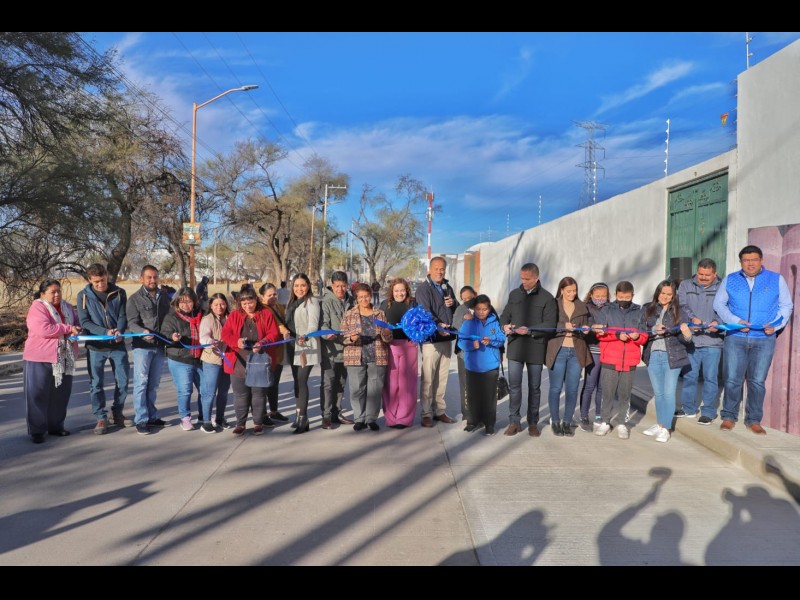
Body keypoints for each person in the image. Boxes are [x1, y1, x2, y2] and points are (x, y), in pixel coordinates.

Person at [713, 244, 794, 434]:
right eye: (746, 260)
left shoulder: (776, 279)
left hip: (764, 339)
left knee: (757, 381)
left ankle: (754, 419)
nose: (750, 263)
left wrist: (775, 325)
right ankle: (729, 417)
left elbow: (786, 306)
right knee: (732, 380)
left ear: (761, 260)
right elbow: (719, 304)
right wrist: (735, 321)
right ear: (741, 262)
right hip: (736, 337)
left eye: (754, 259)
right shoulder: (731, 279)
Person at [499, 263, 557, 437]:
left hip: (535, 348)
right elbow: (505, 315)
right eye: (521, 278)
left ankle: (533, 423)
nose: (523, 282)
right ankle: (514, 422)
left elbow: (551, 325)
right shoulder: (514, 294)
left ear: (536, 278)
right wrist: (504, 325)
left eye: (527, 279)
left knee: (534, 387)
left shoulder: (547, 298)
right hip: (516, 346)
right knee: (514, 386)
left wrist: (530, 330)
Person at [22, 280, 81, 443]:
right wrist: (68, 328)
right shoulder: (37, 307)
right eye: (52, 292)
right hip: (39, 357)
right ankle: (37, 431)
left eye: (59, 291)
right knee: (37, 394)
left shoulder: (67, 306)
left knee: (60, 394)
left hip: (64, 356)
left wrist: (77, 329)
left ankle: (56, 426)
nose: (57, 295)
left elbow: (77, 322)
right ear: (43, 294)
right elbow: (43, 329)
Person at [76, 263, 131, 435]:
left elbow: (123, 315)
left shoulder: (120, 293)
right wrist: (105, 332)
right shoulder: (83, 296)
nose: (101, 284)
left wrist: (119, 331)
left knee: (123, 381)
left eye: (103, 280)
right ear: (89, 280)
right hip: (96, 347)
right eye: (96, 282)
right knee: (96, 384)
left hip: (117, 345)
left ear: (107, 276)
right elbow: (85, 322)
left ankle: (117, 412)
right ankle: (101, 417)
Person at [221, 284, 281, 435]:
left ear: (256, 300)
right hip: (238, 360)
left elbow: (274, 333)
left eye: (251, 303)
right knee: (240, 394)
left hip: (259, 359)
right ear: (240, 303)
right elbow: (225, 334)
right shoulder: (234, 315)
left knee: (258, 393)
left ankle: (258, 422)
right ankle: (240, 423)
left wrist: (263, 342)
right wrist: (236, 342)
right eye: (244, 304)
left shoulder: (266, 313)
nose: (248, 306)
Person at [593, 281, 648, 439]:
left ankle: (622, 423)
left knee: (625, 394)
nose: (624, 299)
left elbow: (644, 336)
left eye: (627, 297)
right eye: (621, 297)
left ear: (633, 295)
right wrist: (617, 335)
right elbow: (600, 334)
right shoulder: (607, 310)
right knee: (608, 393)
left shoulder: (639, 312)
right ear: (616, 295)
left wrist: (637, 338)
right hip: (610, 358)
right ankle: (605, 421)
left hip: (629, 359)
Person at [639, 280, 693, 443]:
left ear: (674, 296)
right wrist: (653, 330)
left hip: (673, 356)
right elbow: (640, 330)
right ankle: (660, 424)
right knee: (659, 393)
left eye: (669, 294)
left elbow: (686, 340)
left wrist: (687, 334)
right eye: (663, 293)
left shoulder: (680, 311)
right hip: (653, 355)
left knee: (669, 393)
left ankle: (666, 428)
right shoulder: (647, 308)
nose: (665, 297)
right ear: (658, 293)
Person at [676, 259, 724, 424]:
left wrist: (717, 322)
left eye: (707, 275)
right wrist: (692, 319)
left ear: (714, 274)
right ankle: (688, 408)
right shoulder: (685, 285)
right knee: (690, 376)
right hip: (692, 340)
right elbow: (681, 306)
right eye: (700, 274)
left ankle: (708, 412)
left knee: (710, 378)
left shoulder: (722, 287)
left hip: (713, 342)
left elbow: (726, 308)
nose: (702, 277)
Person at [126, 264, 173, 435]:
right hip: (142, 347)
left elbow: (169, 318)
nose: (152, 280)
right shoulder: (134, 299)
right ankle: (141, 420)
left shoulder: (164, 297)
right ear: (142, 279)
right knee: (141, 384)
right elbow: (131, 323)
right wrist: (142, 332)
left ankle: (152, 417)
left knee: (153, 385)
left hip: (159, 347)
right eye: (149, 277)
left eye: (155, 277)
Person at [341, 283, 393, 431]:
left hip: (377, 355)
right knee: (357, 389)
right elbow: (342, 337)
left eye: (366, 296)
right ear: (356, 298)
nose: (364, 299)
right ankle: (359, 418)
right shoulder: (349, 314)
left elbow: (388, 337)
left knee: (374, 390)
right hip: (355, 355)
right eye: (361, 297)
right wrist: (351, 338)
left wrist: (387, 334)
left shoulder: (380, 314)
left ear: (371, 296)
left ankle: (371, 419)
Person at [415, 256, 459, 427]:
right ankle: (426, 413)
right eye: (436, 268)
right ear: (430, 269)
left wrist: (453, 303)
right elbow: (424, 312)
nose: (439, 272)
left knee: (442, 377)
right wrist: (438, 325)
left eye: (442, 269)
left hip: (446, 338)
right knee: (428, 378)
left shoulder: (447, 287)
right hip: (431, 340)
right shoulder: (423, 289)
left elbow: (457, 309)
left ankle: (439, 411)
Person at [545, 277, 592, 437]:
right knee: (556, 388)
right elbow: (547, 325)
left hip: (576, 351)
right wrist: (562, 326)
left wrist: (585, 330)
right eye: (569, 291)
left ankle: (566, 422)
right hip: (558, 350)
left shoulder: (581, 306)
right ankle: (555, 421)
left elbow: (585, 326)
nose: (572, 294)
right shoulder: (553, 305)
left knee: (572, 389)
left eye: (574, 291)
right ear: (562, 290)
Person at [458, 294, 506, 435]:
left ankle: (489, 423)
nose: (481, 312)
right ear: (474, 308)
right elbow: (461, 341)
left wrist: (491, 340)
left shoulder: (494, 322)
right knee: (473, 396)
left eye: (484, 309)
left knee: (489, 397)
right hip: (473, 366)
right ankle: (472, 421)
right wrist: (471, 345)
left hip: (491, 366)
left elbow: (501, 339)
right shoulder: (468, 323)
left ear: (489, 308)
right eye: (478, 309)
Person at [160, 287, 204, 432]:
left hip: (200, 357)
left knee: (205, 389)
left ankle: (204, 416)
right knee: (185, 390)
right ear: (177, 302)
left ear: (194, 302)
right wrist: (172, 337)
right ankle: (185, 418)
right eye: (182, 302)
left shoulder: (201, 314)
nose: (186, 305)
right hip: (180, 358)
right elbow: (164, 334)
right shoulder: (171, 317)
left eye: (189, 302)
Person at [284, 273, 322, 434]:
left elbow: (313, 325)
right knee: (296, 382)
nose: (299, 289)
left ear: (308, 286)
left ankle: (303, 418)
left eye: (303, 285)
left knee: (301, 381)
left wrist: (305, 336)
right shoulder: (291, 302)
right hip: (292, 346)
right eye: (296, 285)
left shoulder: (312, 302)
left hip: (306, 347)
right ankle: (298, 414)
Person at [380, 278, 419, 429]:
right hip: (391, 346)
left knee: (406, 384)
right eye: (396, 290)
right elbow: (379, 325)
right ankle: (391, 417)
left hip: (409, 346)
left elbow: (421, 323)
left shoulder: (413, 304)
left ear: (407, 291)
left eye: (402, 290)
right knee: (391, 383)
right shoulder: (385, 304)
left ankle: (404, 418)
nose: (399, 293)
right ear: (392, 291)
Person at [320, 271, 356, 429]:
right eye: (337, 286)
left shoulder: (352, 301)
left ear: (347, 285)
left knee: (341, 383)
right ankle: (326, 416)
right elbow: (323, 324)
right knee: (328, 383)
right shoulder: (326, 301)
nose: (340, 289)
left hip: (348, 349)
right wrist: (326, 334)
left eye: (343, 286)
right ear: (332, 285)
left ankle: (337, 413)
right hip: (330, 350)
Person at [578, 282, 609, 432]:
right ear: (591, 295)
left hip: (607, 350)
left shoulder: (611, 308)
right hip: (592, 350)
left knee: (602, 386)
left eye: (603, 296)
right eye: (597, 296)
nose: (600, 298)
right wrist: (592, 328)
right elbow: (584, 325)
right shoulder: (586, 308)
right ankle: (584, 415)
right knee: (589, 385)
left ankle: (599, 415)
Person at [199, 293, 232, 433]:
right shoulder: (207, 319)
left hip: (227, 359)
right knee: (210, 392)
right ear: (211, 306)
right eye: (216, 304)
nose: (220, 307)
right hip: (212, 359)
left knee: (223, 392)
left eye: (222, 304)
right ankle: (206, 421)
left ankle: (220, 418)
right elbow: (203, 337)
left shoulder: (230, 318)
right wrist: (210, 342)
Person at [259, 283, 290, 423]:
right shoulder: (262, 309)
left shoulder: (279, 306)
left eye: (274, 294)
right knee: (265, 384)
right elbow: (277, 324)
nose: (273, 297)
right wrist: (284, 330)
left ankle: (274, 411)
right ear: (262, 296)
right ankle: (262, 414)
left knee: (274, 383)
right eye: (269, 295)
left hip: (279, 352)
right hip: (267, 352)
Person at [452, 285, 477, 426]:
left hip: (482, 354)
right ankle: (467, 414)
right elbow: (456, 327)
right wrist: (467, 321)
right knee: (466, 385)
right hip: (464, 354)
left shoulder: (484, 307)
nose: (467, 300)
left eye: (470, 297)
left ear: (475, 294)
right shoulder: (460, 310)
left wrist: (474, 318)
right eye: (464, 299)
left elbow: (492, 325)